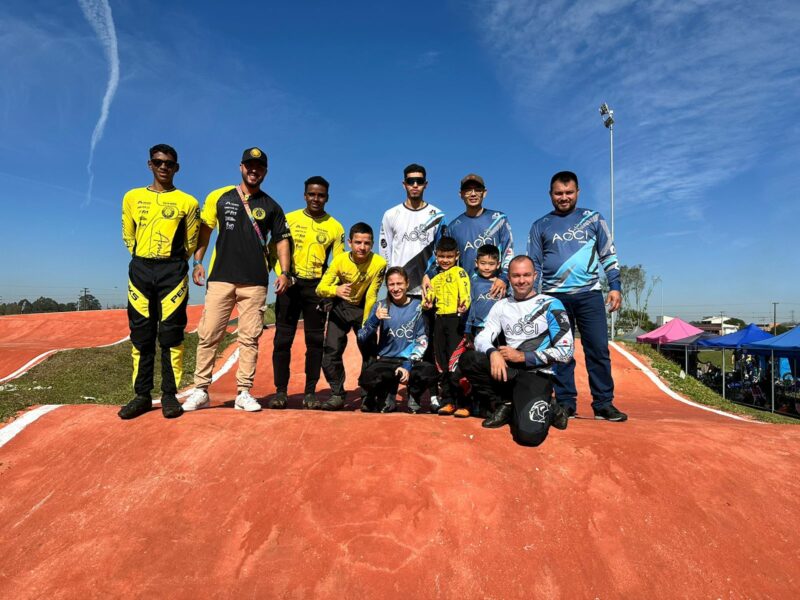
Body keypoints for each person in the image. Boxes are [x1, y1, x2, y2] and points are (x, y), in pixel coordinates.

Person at [182, 147, 292, 413]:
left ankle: (243, 391)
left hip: (255, 282)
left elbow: (282, 241)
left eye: (259, 167)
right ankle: (200, 390)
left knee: (249, 338)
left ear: (265, 171)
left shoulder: (272, 206)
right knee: (209, 334)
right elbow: (205, 231)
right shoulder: (219, 196)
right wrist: (197, 262)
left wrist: (285, 272)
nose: (254, 170)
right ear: (241, 167)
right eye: (249, 166)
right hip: (221, 278)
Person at [527, 171, 627, 421]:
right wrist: (533, 297)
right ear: (550, 195)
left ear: (578, 192)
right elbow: (535, 264)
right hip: (553, 297)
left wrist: (615, 285)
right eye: (558, 193)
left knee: (598, 350)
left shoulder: (593, 219)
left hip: (589, 295)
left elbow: (608, 254)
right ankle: (565, 402)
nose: (564, 197)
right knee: (561, 352)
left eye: (569, 192)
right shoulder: (540, 225)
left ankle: (603, 403)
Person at [119, 144, 200, 420]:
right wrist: (143, 256)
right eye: (158, 162)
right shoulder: (131, 197)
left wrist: (173, 261)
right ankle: (141, 395)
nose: (163, 167)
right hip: (141, 268)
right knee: (141, 334)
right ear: (150, 164)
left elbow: (191, 242)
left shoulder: (188, 202)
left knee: (171, 334)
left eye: (169, 163)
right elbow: (128, 235)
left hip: (173, 271)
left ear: (177, 167)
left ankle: (169, 395)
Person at [460, 256, 573, 446]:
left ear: (535, 276)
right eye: (516, 276)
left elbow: (566, 352)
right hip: (509, 371)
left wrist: (522, 356)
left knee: (528, 437)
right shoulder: (502, 305)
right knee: (469, 359)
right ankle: (504, 404)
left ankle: (552, 408)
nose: (521, 280)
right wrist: (492, 352)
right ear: (509, 278)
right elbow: (482, 337)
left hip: (536, 374)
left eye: (526, 275)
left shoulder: (551, 304)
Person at [269, 176, 345, 410]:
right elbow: (274, 251)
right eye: (312, 194)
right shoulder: (289, 219)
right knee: (282, 341)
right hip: (290, 285)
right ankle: (281, 392)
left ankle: (310, 392)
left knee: (314, 343)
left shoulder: (335, 227)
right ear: (304, 195)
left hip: (316, 289)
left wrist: (329, 292)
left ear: (327, 198)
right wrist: (282, 274)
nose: (316, 199)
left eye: (320, 195)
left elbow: (338, 264)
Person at [316, 222, 387, 410]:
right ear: (349, 242)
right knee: (330, 352)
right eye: (357, 242)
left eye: (366, 243)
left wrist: (367, 325)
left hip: (363, 307)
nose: (362, 247)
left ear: (372, 244)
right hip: (340, 307)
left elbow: (372, 295)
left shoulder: (379, 263)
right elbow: (320, 288)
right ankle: (337, 394)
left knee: (370, 354)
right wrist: (335, 290)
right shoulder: (339, 260)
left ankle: (367, 395)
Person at [356, 267, 439, 413]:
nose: (396, 288)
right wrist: (374, 320)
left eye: (399, 284)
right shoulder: (380, 305)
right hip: (387, 360)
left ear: (407, 283)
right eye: (391, 284)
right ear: (387, 286)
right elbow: (362, 337)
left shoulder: (419, 306)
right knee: (366, 378)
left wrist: (408, 365)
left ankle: (414, 393)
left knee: (430, 371)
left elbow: (422, 340)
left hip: (410, 361)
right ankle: (389, 394)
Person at [379, 164, 446, 297]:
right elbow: (385, 250)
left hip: (428, 287)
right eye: (410, 181)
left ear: (425, 184)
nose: (415, 185)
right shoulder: (390, 214)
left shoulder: (438, 215)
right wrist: (391, 279)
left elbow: (442, 252)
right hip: (399, 289)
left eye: (419, 181)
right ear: (404, 184)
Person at [445, 174, 513, 298]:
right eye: (468, 190)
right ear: (461, 194)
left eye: (477, 190)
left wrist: (504, 278)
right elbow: (448, 263)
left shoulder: (499, 219)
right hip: (468, 294)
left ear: (484, 193)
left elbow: (508, 251)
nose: (473, 194)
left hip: (497, 290)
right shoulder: (453, 227)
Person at [424, 236, 471, 416]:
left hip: (455, 320)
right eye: (442, 257)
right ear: (436, 256)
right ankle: (448, 401)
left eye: (449, 257)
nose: (445, 260)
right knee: (441, 362)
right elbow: (429, 298)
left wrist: (464, 305)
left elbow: (466, 294)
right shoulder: (435, 278)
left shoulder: (460, 272)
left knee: (455, 362)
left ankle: (464, 403)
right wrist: (426, 304)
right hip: (439, 321)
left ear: (456, 255)